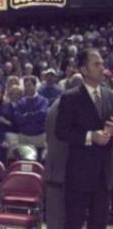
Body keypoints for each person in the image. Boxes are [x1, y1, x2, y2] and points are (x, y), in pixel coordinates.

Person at [56, 49, 113, 229]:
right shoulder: (70, 97)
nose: (102, 68)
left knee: (99, 224)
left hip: (104, 175)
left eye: (103, 64)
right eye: (97, 64)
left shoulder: (110, 95)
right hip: (78, 175)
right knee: (73, 223)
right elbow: (61, 132)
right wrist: (90, 136)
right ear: (84, 69)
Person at [44, 73, 82, 229]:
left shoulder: (57, 104)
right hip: (64, 169)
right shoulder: (67, 106)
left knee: (56, 218)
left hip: (56, 168)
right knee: (61, 219)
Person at [14, 76, 48, 152]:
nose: (27, 88)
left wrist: (26, 115)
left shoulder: (43, 101)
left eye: (29, 85)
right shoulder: (21, 102)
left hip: (39, 136)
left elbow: (42, 114)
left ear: (35, 86)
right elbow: (18, 118)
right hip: (24, 137)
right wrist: (34, 117)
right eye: (25, 86)